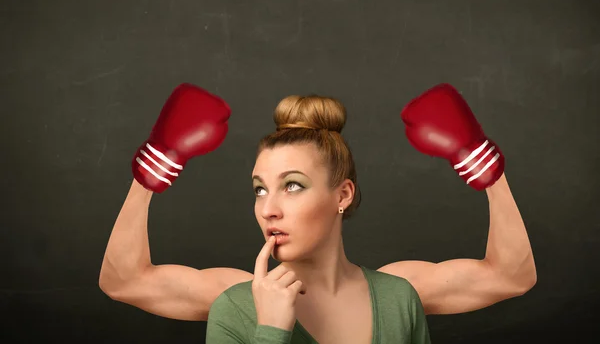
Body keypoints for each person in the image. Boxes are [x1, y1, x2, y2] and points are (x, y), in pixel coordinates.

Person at [99, 83, 537, 343]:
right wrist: (151, 170)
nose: (268, 209)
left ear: (342, 195)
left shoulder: (399, 296)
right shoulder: (235, 303)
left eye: (293, 186)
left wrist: (485, 168)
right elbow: (124, 281)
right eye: (259, 190)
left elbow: (511, 276)